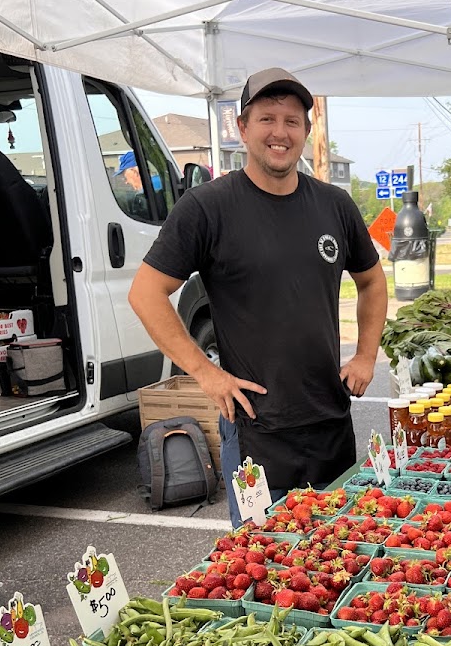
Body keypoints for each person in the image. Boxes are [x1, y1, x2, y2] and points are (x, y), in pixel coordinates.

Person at [128, 67, 388, 527]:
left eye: (292, 121)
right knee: (264, 570)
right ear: (242, 127)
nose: (280, 132)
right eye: (267, 118)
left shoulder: (335, 205)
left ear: (306, 133)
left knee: (341, 564)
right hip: (256, 431)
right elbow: (147, 293)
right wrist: (206, 374)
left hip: (331, 421)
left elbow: (371, 279)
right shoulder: (208, 207)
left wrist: (366, 356)